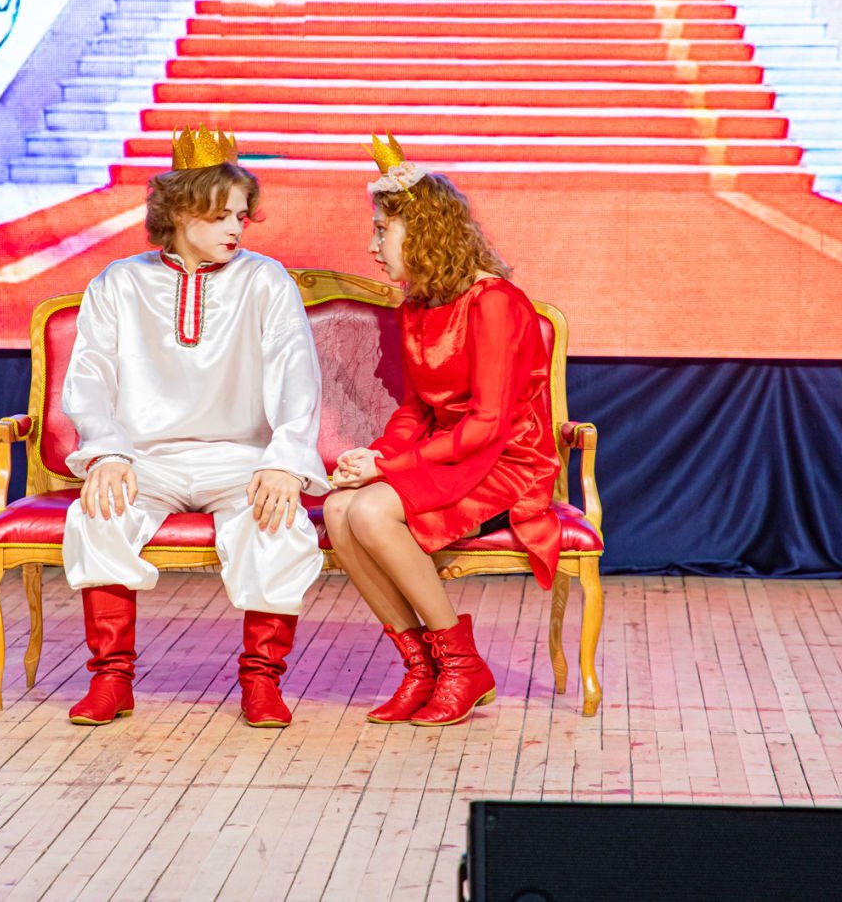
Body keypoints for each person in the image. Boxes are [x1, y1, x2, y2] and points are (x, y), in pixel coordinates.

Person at [61, 125, 328, 729]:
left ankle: (262, 681)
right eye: (222, 215)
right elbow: (90, 377)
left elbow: (297, 376)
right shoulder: (119, 283)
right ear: (181, 211)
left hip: (240, 459)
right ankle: (111, 679)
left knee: (277, 524)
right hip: (143, 460)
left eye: (241, 216)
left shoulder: (265, 280)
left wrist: (284, 460)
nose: (237, 228)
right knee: (98, 514)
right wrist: (107, 452)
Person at [324, 135, 561, 727]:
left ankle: (462, 665)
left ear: (425, 232)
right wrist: (375, 454)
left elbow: (488, 424)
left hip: (504, 458)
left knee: (370, 511)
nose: (372, 246)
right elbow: (416, 410)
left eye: (382, 231)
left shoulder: (494, 302)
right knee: (338, 509)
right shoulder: (419, 304)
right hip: (450, 453)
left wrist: (388, 470)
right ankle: (422, 667)